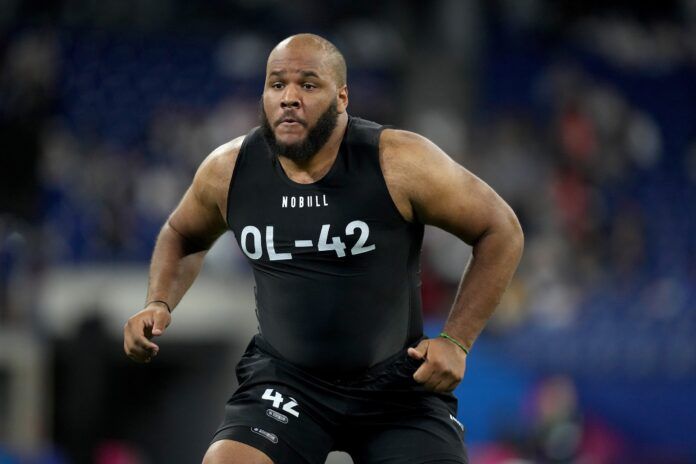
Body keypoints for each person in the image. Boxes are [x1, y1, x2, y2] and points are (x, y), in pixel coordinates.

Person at [123, 33, 524, 464]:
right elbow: (181, 234)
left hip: (395, 387)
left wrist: (456, 341)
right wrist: (160, 301)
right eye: (277, 84)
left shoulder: (398, 160)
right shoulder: (229, 170)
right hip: (287, 383)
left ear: (342, 97)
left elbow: (501, 229)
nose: (289, 98)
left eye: (308, 85)